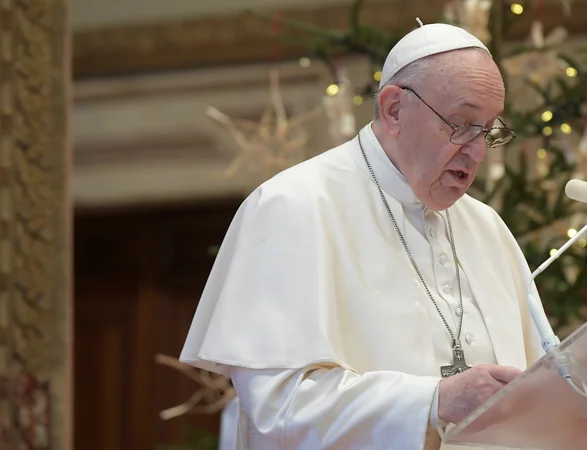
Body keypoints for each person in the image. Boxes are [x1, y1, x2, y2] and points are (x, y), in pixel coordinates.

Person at [180, 20, 546, 450]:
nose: (477, 150)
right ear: (393, 110)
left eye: (488, 131)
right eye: (462, 124)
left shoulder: (486, 228)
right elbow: (278, 411)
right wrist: (433, 401)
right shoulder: (293, 206)